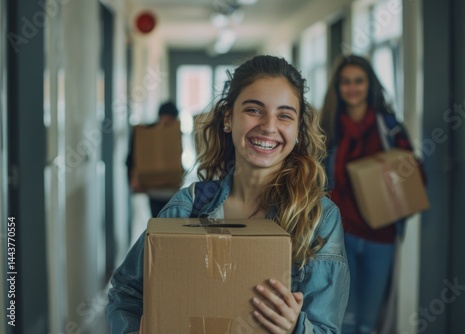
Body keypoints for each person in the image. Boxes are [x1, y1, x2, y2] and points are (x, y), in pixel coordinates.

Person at [107, 55, 349, 333]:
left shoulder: (319, 218)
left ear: (297, 130)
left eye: (284, 115)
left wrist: (296, 327)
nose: (269, 126)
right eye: (254, 110)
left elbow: (327, 329)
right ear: (227, 118)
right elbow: (126, 293)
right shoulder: (189, 207)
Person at [320, 54, 425, 334]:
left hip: (381, 236)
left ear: (369, 84)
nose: (352, 87)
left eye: (359, 81)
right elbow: (316, 178)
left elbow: (415, 175)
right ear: (337, 87)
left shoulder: (388, 127)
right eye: (345, 82)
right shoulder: (329, 127)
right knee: (343, 317)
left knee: (369, 322)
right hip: (341, 236)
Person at [126, 101, 181, 217]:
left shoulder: (176, 133)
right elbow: (131, 158)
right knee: (158, 222)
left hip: (173, 190)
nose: (167, 123)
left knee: (171, 223)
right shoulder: (146, 134)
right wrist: (133, 180)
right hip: (154, 190)